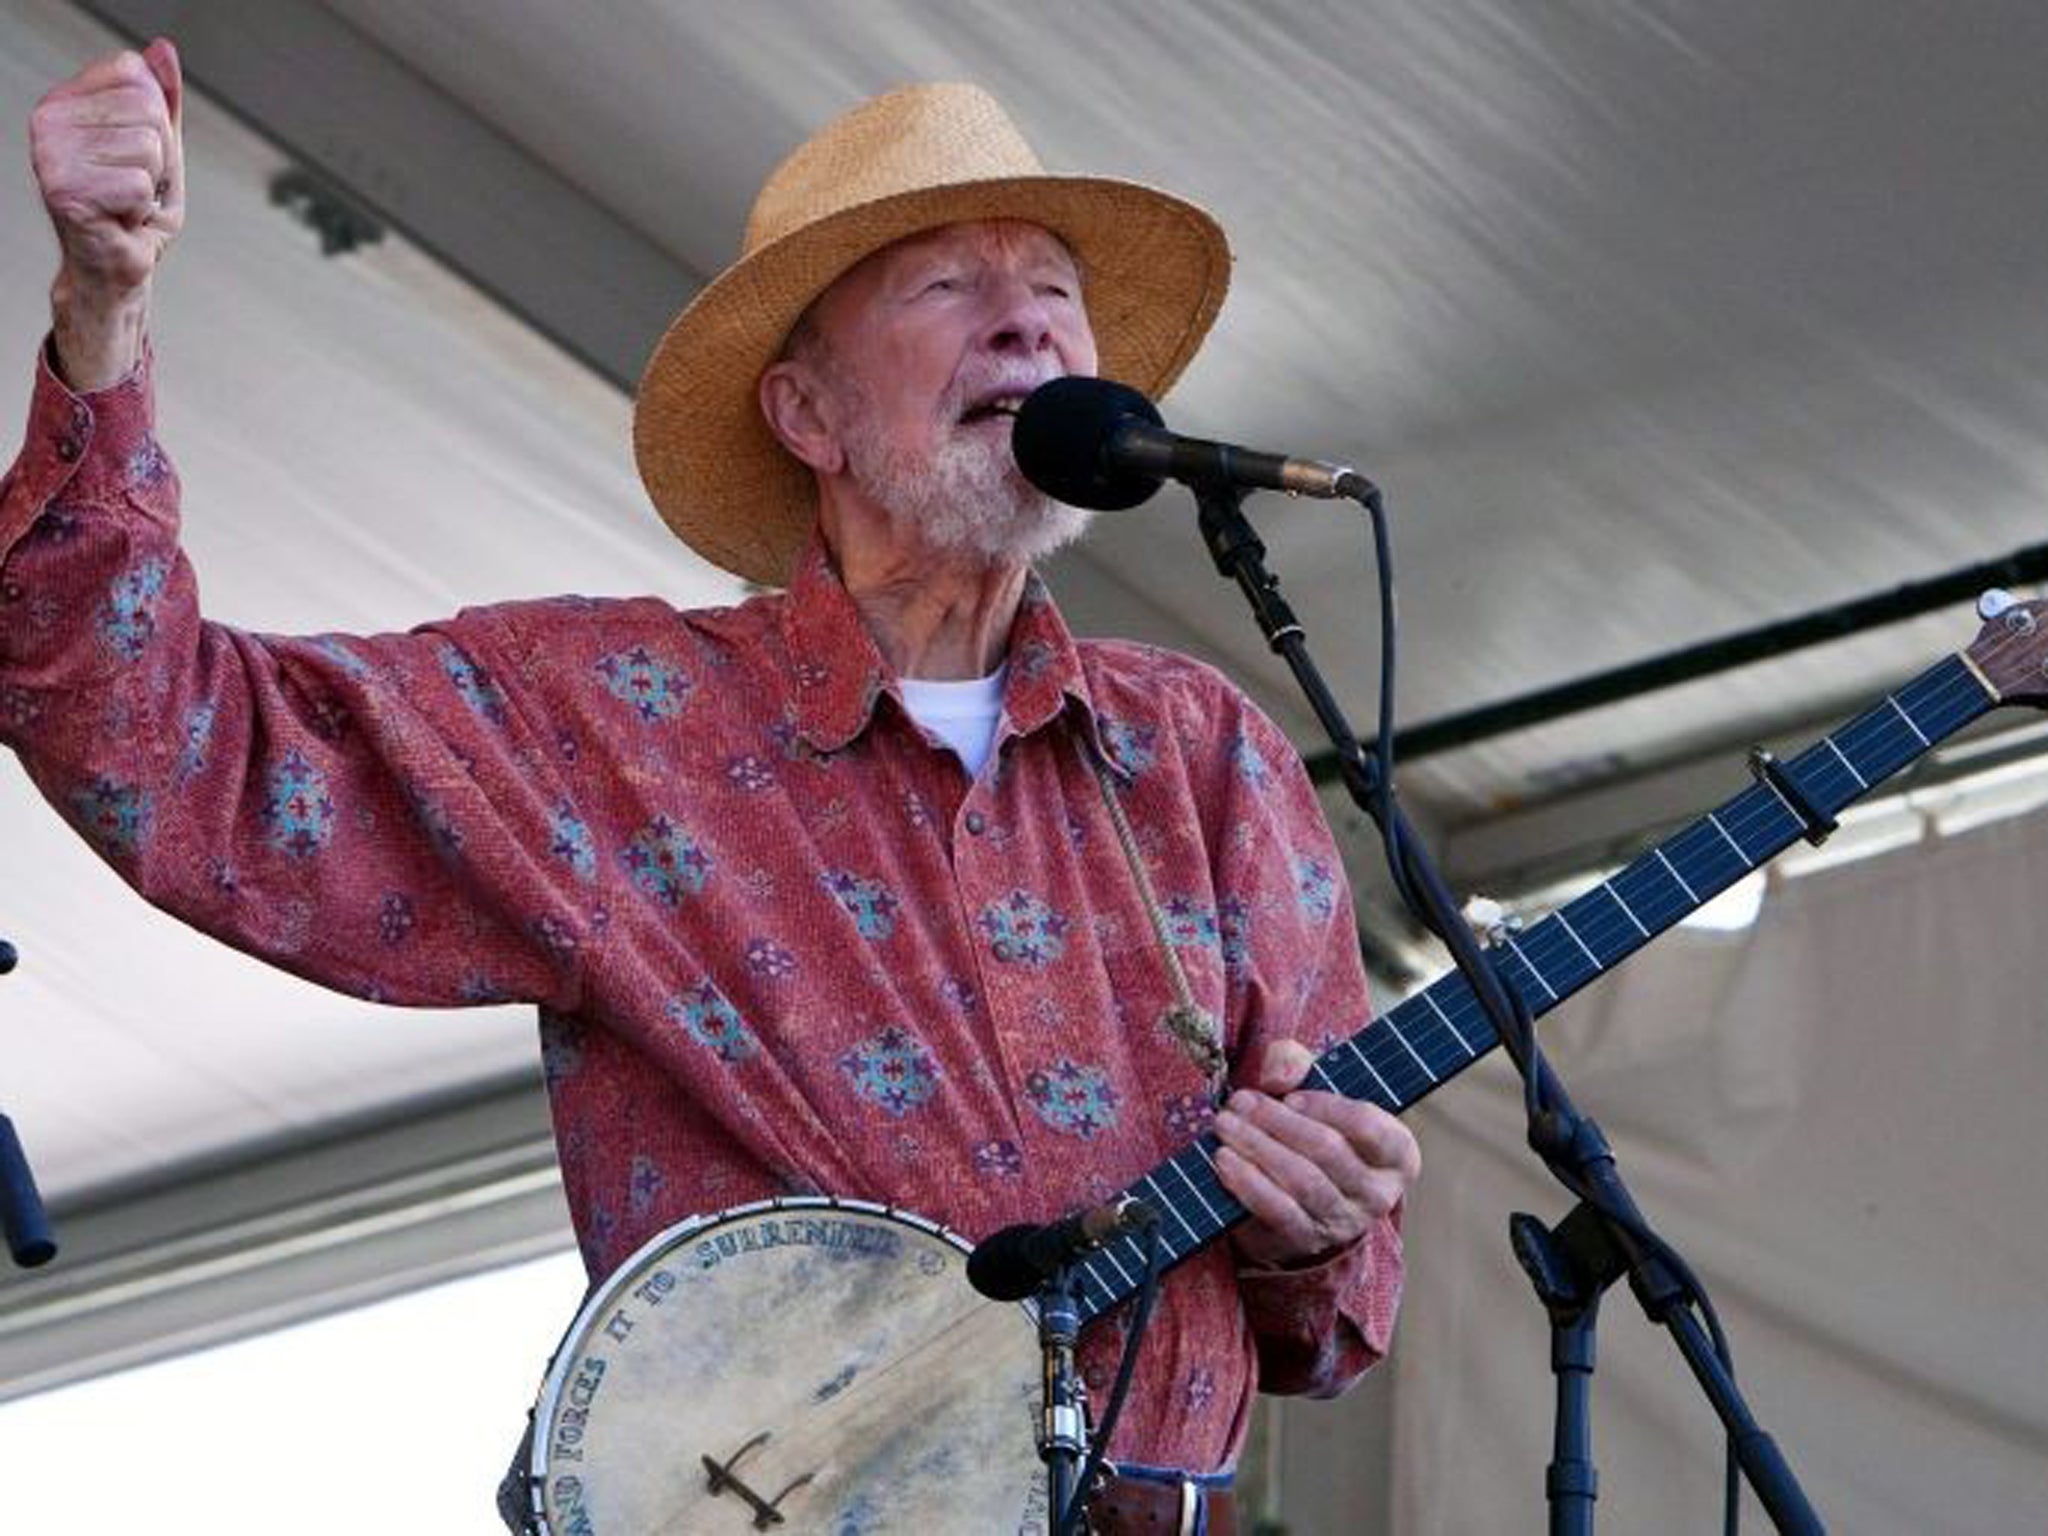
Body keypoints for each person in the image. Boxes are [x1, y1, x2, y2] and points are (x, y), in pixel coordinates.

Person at [7, 38, 1419, 1533]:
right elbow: (155, 732)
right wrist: (106, 307)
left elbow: (1327, 1331)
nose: (1025, 325)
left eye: (1054, 290)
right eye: (947, 288)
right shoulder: (615, 722)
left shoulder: (1204, 757)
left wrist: (1317, 1228)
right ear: (806, 416)